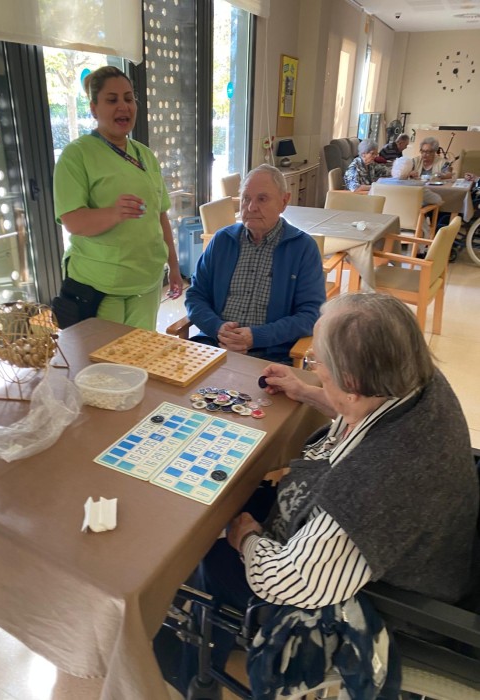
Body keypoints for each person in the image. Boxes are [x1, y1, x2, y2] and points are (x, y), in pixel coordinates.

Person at [177, 293, 479, 696]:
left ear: (350, 384)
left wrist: (245, 537)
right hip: (414, 542)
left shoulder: (377, 483)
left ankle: (192, 669)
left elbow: (290, 581)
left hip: (390, 599)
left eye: (317, 361)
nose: (313, 368)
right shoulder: (413, 376)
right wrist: (308, 392)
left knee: (203, 548)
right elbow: (367, 409)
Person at [53, 66, 182, 331]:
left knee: (141, 352)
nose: (123, 106)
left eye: (128, 98)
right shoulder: (76, 155)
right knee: (105, 355)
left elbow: (160, 216)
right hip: (100, 285)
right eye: (112, 100)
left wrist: (174, 267)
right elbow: (72, 221)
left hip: (146, 282)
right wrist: (114, 213)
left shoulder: (145, 155)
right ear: (94, 108)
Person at [184, 164, 326, 363]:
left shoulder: (302, 248)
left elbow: (311, 314)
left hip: (271, 357)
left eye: (262, 199)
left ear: (284, 201)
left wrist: (257, 336)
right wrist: (217, 328)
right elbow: (195, 295)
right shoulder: (222, 241)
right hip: (214, 347)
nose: (251, 207)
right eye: (246, 198)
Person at [374, 156, 443, 207]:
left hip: (386, 221)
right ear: (410, 171)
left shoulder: (379, 183)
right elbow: (437, 200)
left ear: (392, 169)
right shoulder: (418, 186)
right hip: (412, 222)